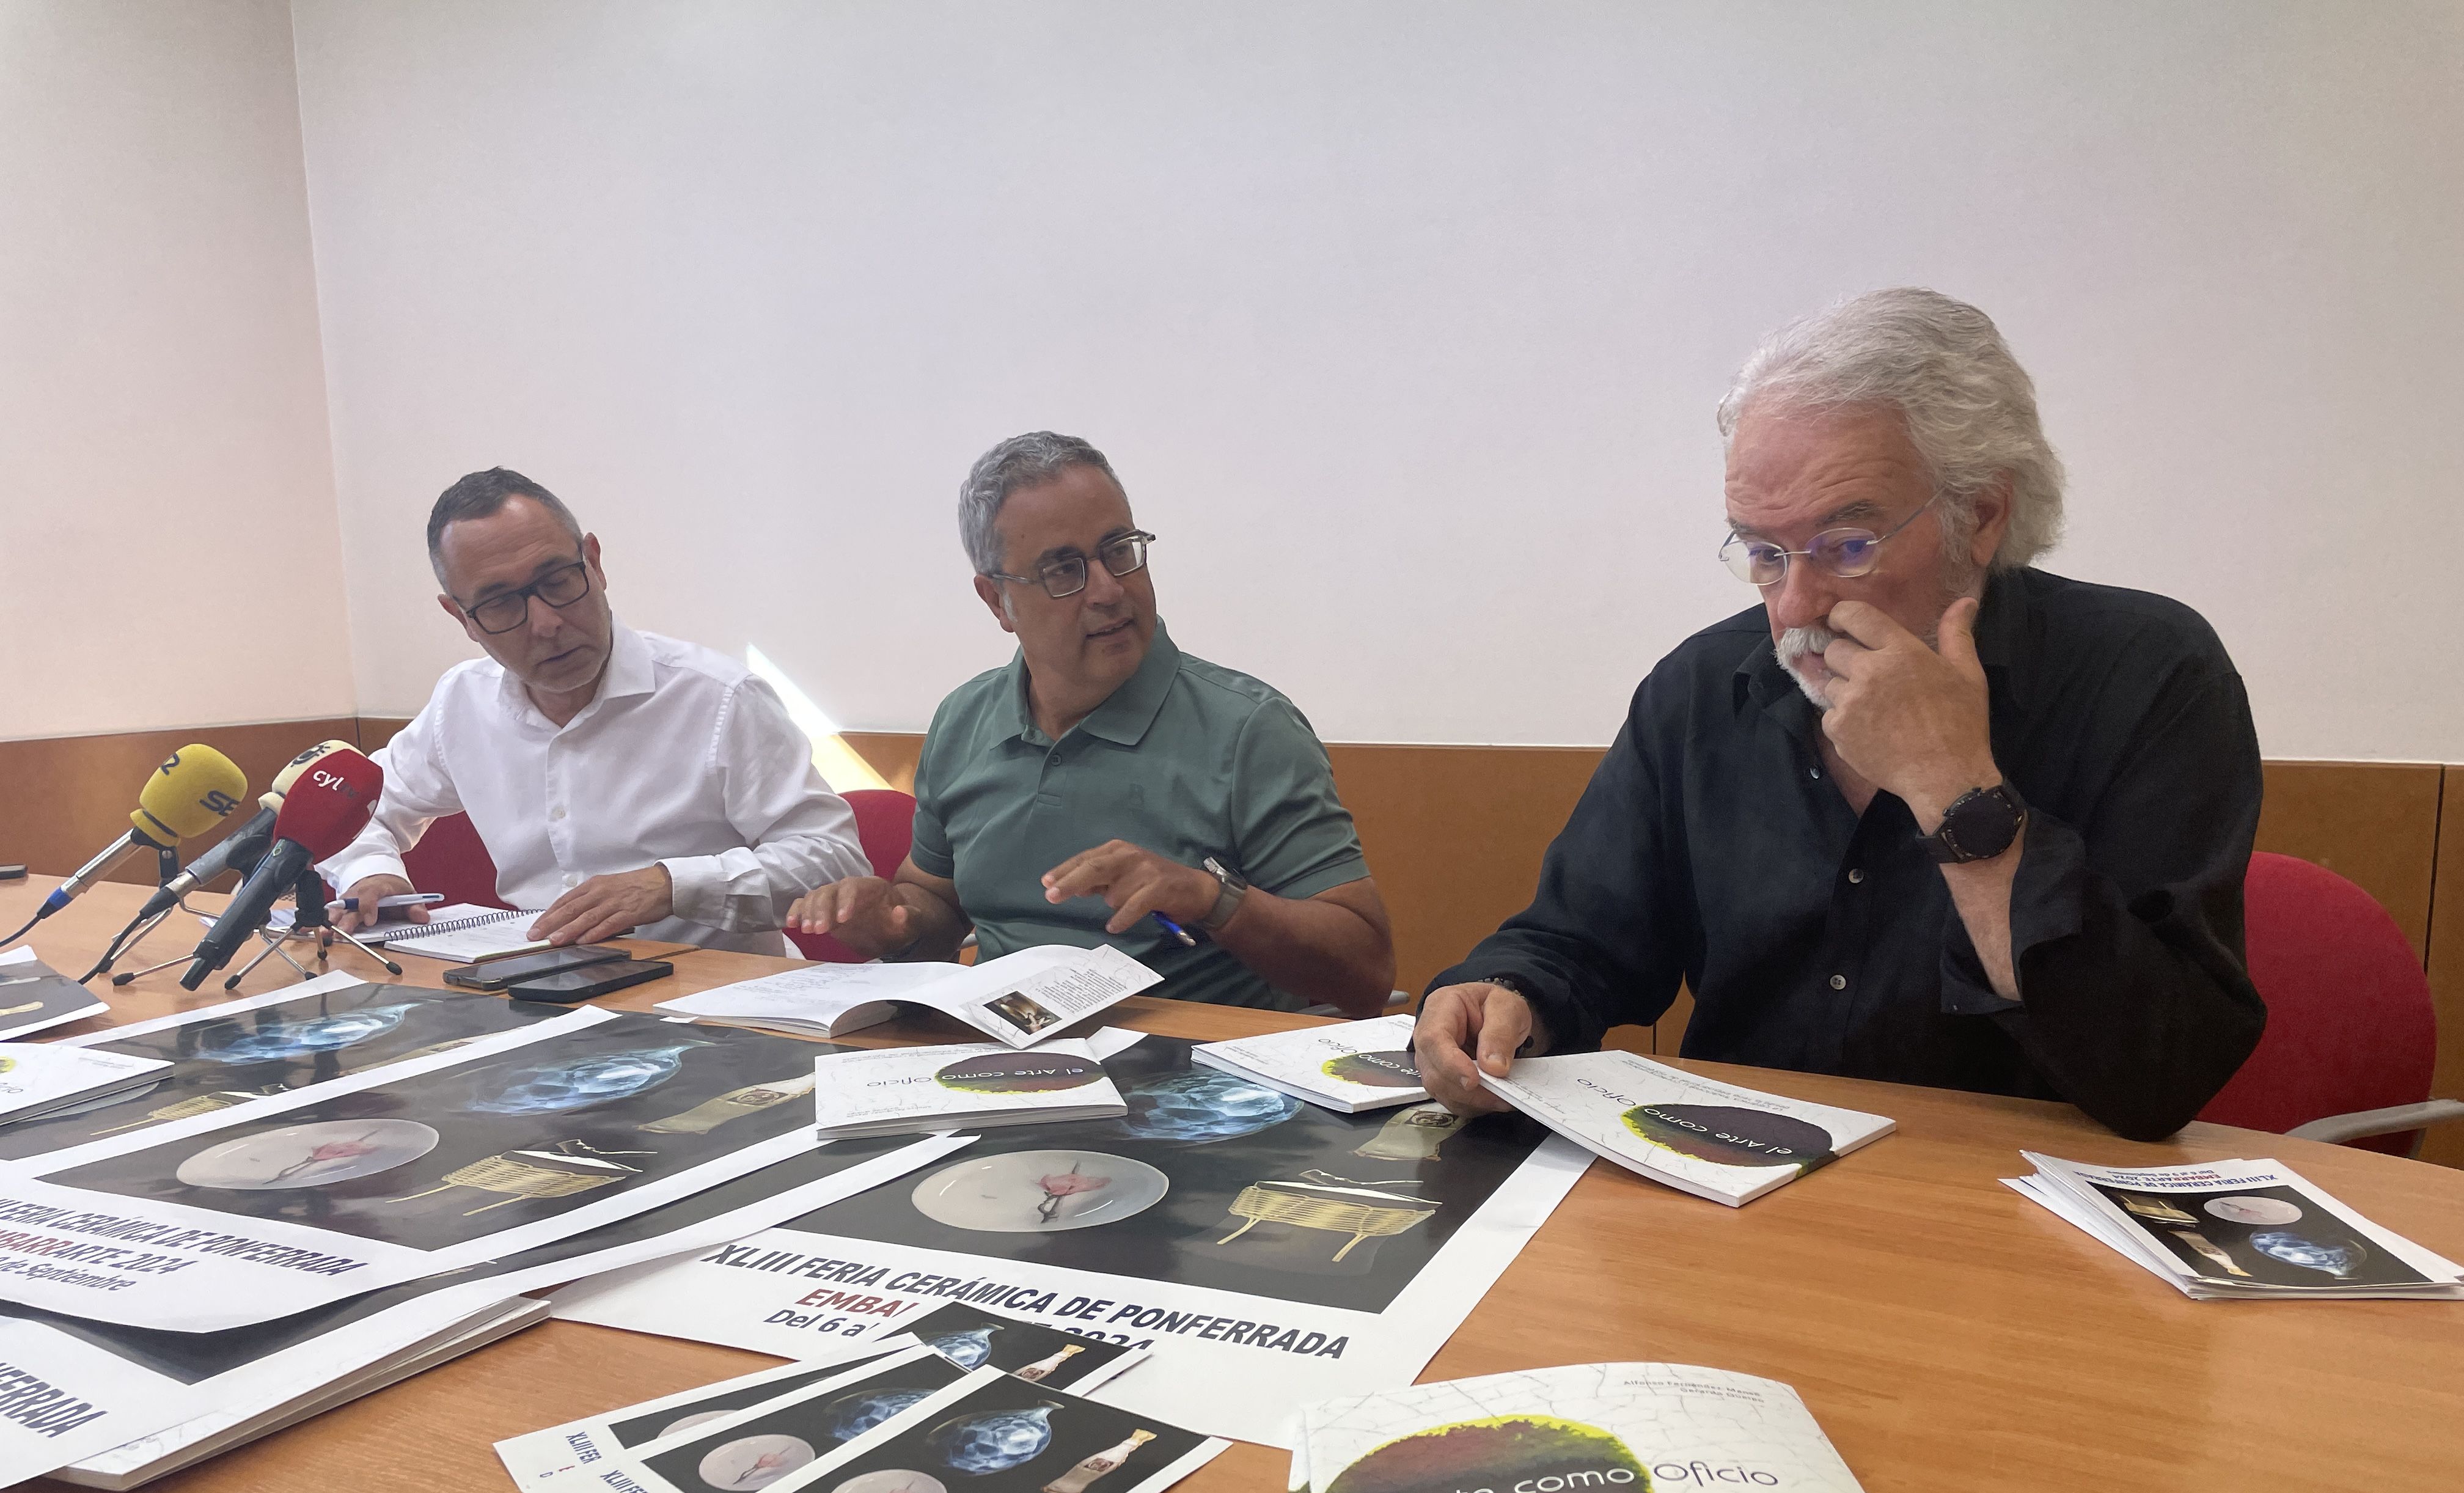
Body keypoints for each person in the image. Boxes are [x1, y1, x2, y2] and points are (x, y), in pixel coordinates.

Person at [1414, 288, 2264, 1140]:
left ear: (1981, 515)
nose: (1795, 605)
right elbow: (1582, 942)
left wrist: (1953, 788)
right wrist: (1506, 992)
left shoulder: (2152, 674)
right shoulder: (1705, 687)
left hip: (2023, 1216)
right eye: (1762, 552)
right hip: (1734, 1188)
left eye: (1846, 547)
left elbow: (2161, 1075)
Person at [790, 432, 1394, 1015]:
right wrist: (893, 922)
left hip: (1195, 1091)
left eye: (1119, 551)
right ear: (996, 600)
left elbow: (1366, 976)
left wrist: (1212, 899)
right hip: (1004, 1066)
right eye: (1063, 570)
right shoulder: (964, 722)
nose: (1108, 590)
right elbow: (936, 909)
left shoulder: (1249, 730)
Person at [323, 468, 868, 954]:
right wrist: (374, 874)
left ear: (596, 564)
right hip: (534, 991)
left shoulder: (719, 697)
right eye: (501, 604)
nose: (546, 623)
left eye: (558, 581)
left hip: (709, 1004)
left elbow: (833, 860)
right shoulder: (461, 703)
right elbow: (351, 810)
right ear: (461, 618)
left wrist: (671, 886)